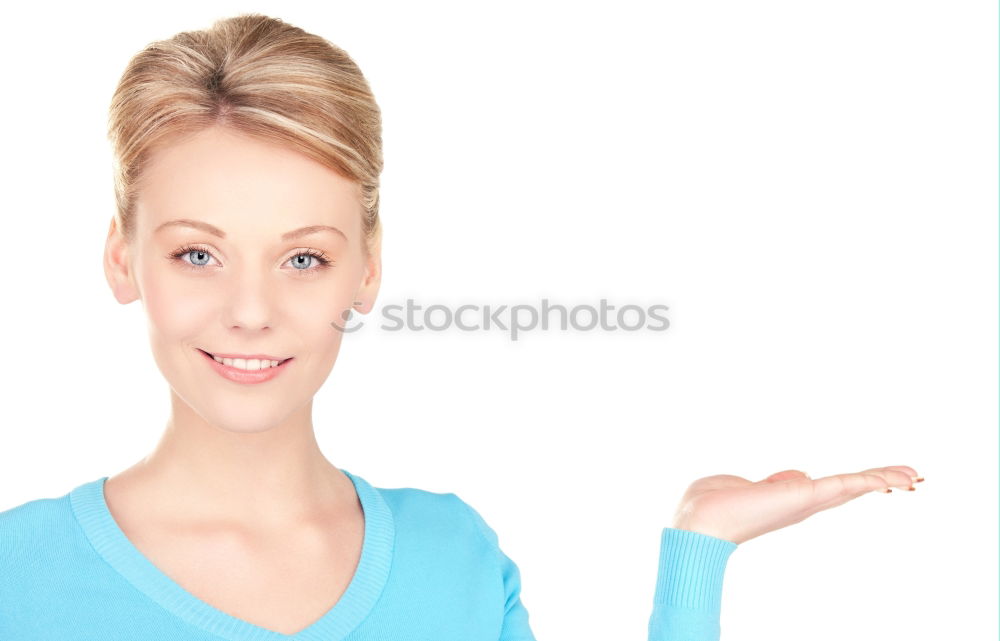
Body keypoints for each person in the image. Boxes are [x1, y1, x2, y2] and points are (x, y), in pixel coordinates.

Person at [0, 13, 922, 641]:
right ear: (122, 257)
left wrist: (698, 550)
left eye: (304, 257)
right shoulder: (17, 575)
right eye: (198, 254)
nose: (251, 309)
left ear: (368, 267)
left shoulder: (456, 555)